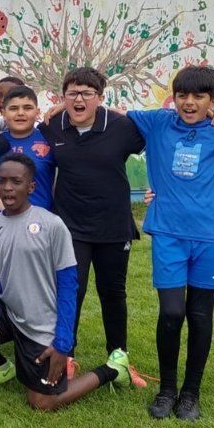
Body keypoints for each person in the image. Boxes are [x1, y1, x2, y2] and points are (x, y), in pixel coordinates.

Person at [0, 154, 135, 409]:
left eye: (16, 182)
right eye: (2, 181)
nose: (7, 187)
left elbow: (68, 286)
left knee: (42, 402)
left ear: (31, 187)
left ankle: (112, 370)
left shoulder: (51, 224)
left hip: (40, 324)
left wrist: (63, 343)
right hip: (7, 311)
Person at [126, 65, 214, 421]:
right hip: (168, 234)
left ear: (213, 100)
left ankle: (190, 394)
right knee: (172, 312)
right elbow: (111, 114)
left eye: (199, 97)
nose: (189, 103)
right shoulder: (158, 123)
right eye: (183, 96)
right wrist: (55, 109)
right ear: (173, 97)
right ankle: (167, 390)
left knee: (200, 315)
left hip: (209, 237)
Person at [39, 66, 145, 382]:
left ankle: (119, 359)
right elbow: (19, 125)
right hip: (70, 226)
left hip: (113, 226)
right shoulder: (53, 125)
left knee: (113, 292)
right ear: (62, 96)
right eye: (72, 93)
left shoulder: (122, 127)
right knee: (72, 290)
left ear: (100, 98)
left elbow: (166, 130)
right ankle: (66, 356)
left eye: (88, 93)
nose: (79, 99)